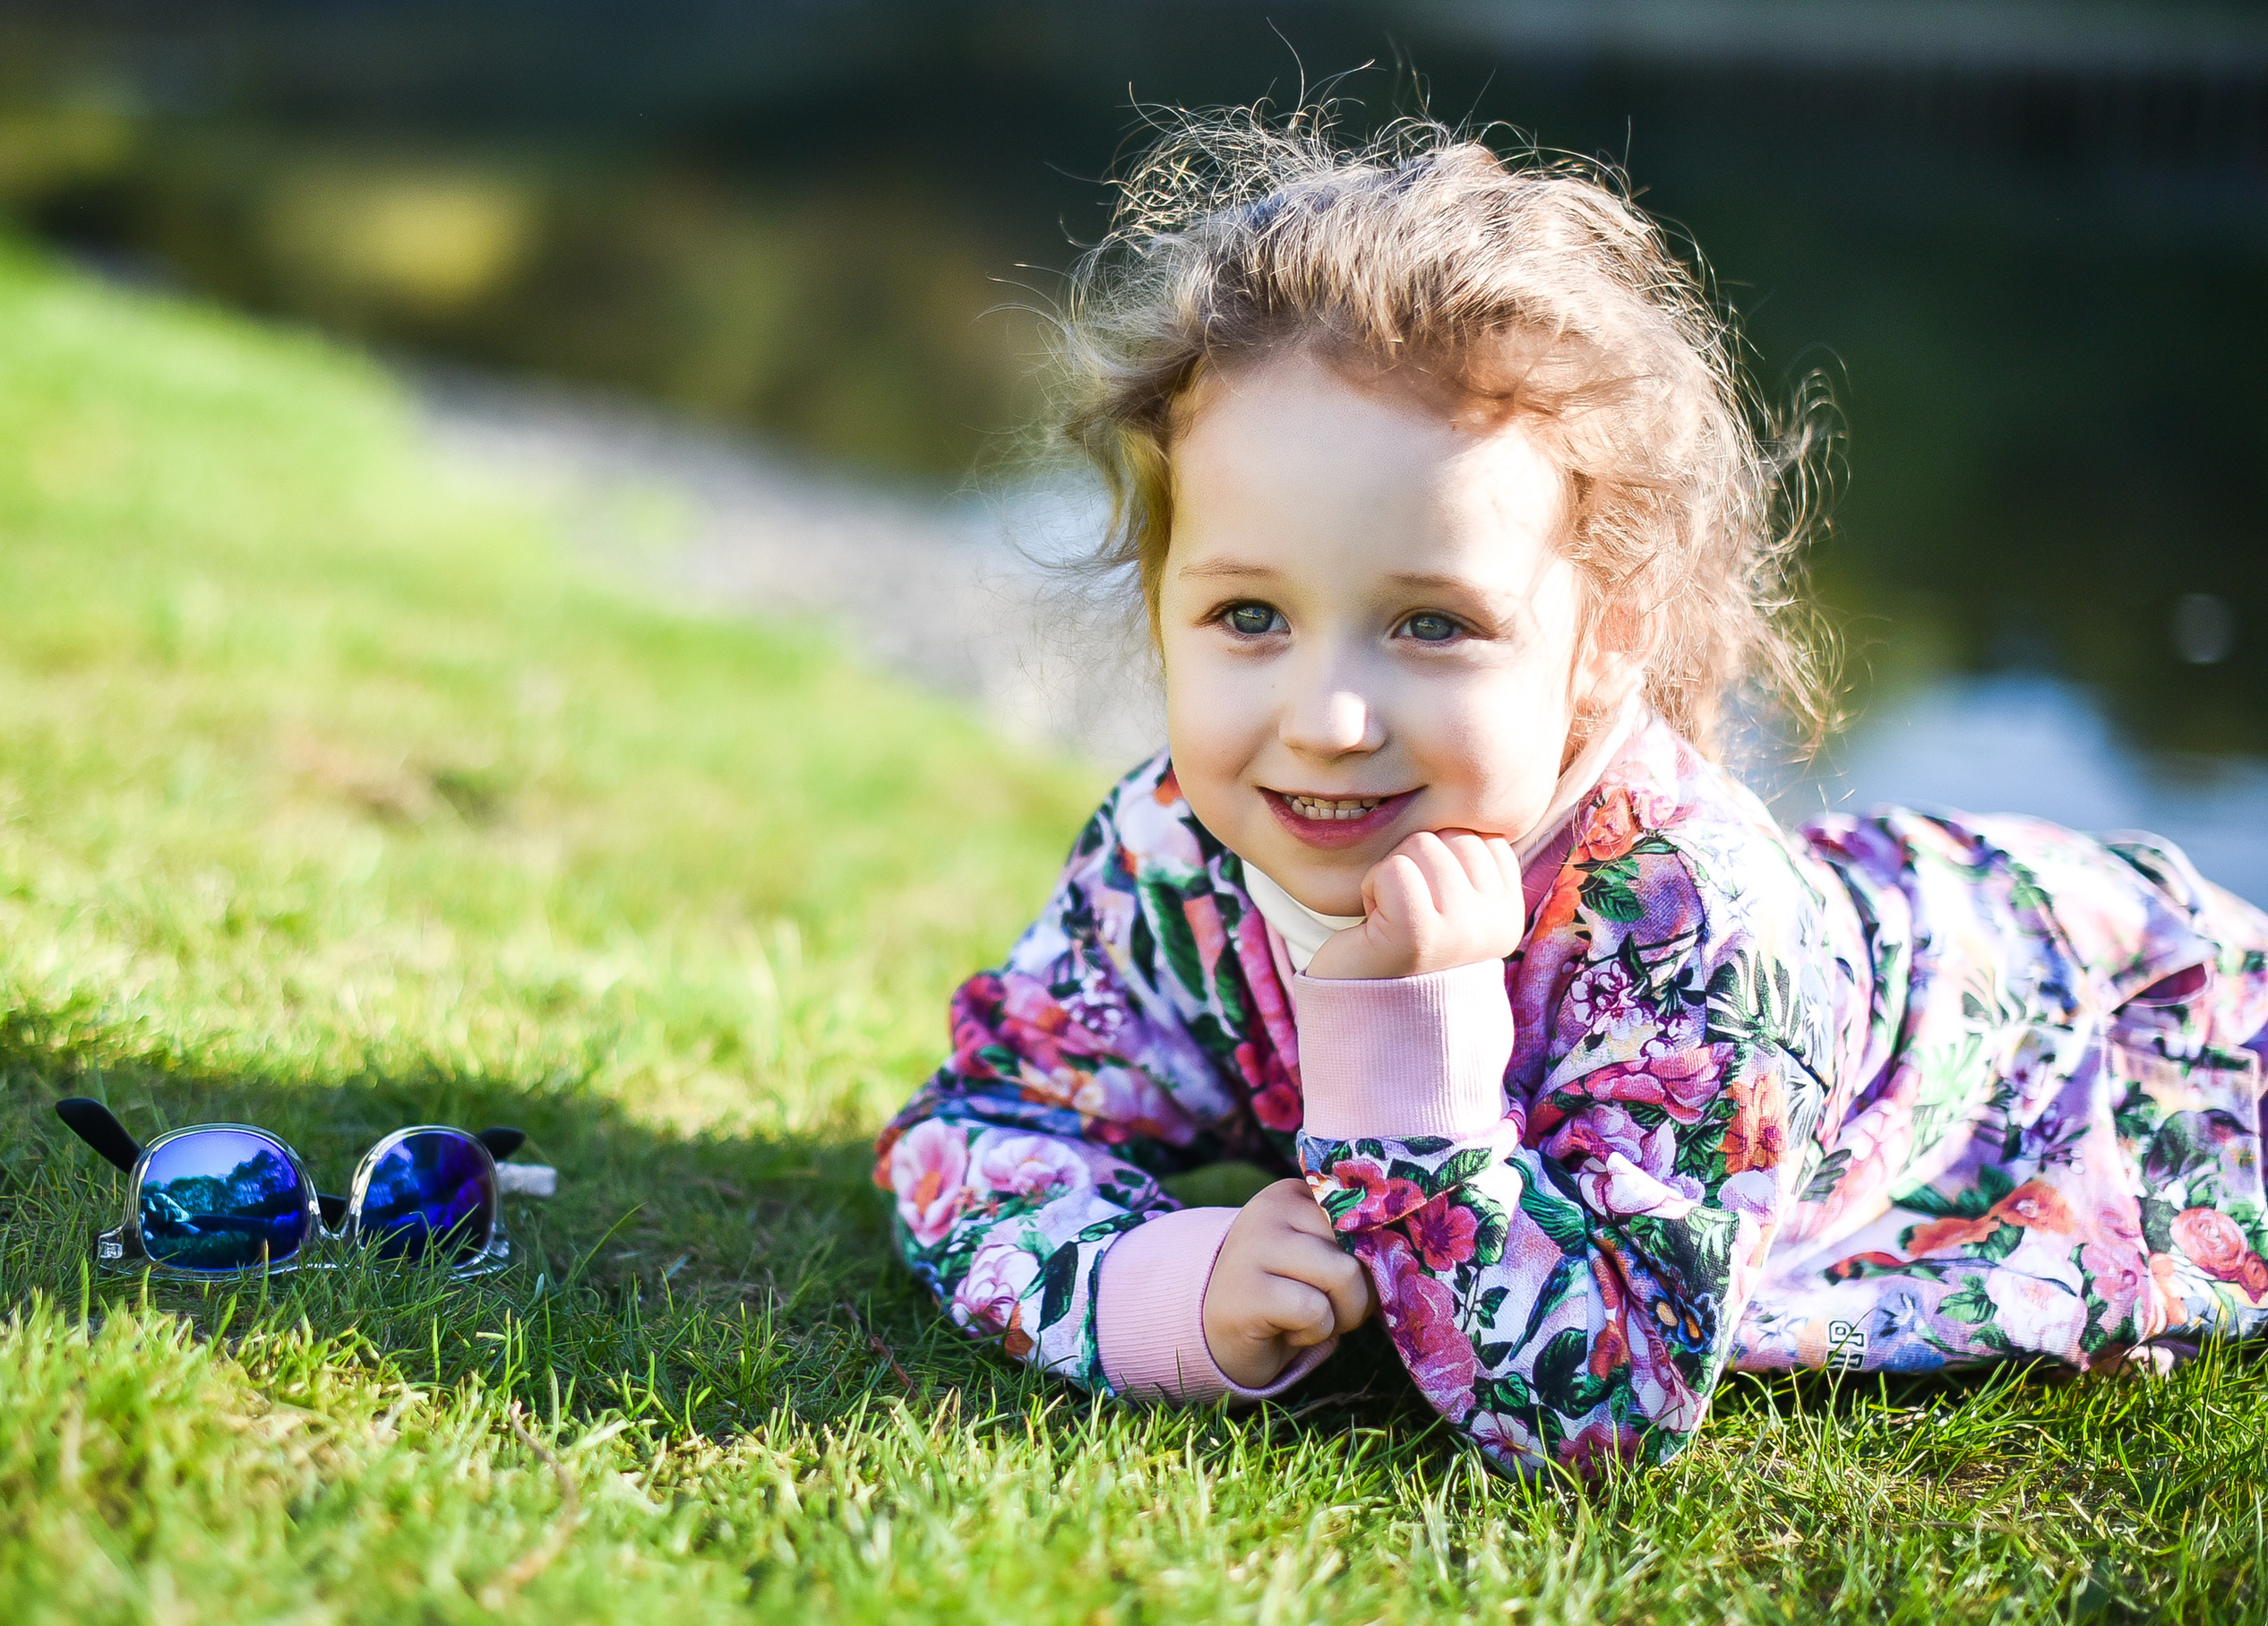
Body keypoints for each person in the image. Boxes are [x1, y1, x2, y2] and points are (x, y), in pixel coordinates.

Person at [873, 110, 2268, 1475]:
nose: (1328, 720)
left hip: (2089, 1018)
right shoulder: (1174, 846)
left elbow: (1600, 1404)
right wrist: (1167, 1288)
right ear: (1164, 603)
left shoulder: (1689, 926)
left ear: (1606, 646)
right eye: (1248, 615)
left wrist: (1401, 1085)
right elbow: (973, 1131)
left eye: (1431, 624)